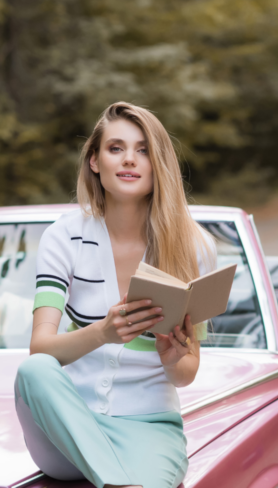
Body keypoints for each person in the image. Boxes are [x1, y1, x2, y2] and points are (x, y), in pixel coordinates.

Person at [14, 102, 216, 488]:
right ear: (94, 161)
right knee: (34, 371)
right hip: (66, 430)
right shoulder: (64, 236)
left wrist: (173, 359)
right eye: (116, 148)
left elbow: (187, 372)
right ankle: (119, 483)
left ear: (159, 165)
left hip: (149, 429)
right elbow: (40, 348)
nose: (129, 160)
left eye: (143, 150)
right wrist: (102, 333)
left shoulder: (194, 246)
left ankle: (115, 480)